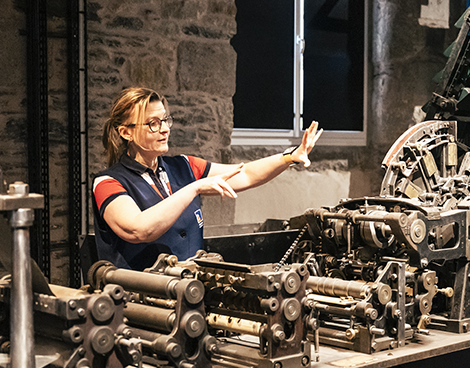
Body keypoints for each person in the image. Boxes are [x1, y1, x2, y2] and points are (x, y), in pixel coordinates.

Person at [93, 87, 322, 271]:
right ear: (126, 132)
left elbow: (246, 174)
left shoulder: (183, 166)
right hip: (138, 305)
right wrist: (195, 188)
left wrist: (290, 157)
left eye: (165, 120)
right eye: (153, 123)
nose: (164, 129)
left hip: (187, 295)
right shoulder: (107, 182)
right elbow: (138, 229)